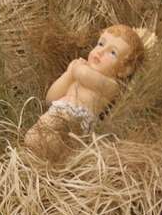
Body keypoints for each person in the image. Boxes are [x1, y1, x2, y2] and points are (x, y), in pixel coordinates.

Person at [24, 24, 145, 162]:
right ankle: (52, 158)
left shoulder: (111, 85)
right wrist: (68, 74)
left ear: (124, 70)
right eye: (100, 44)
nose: (100, 51)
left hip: (76, 120)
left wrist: (75, 69)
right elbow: (50, 99)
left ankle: (58, 158)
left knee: (40, 139)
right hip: (58, 112)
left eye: (112, 53)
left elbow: (82, 74)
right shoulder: (79, 72)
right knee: (32, 138)